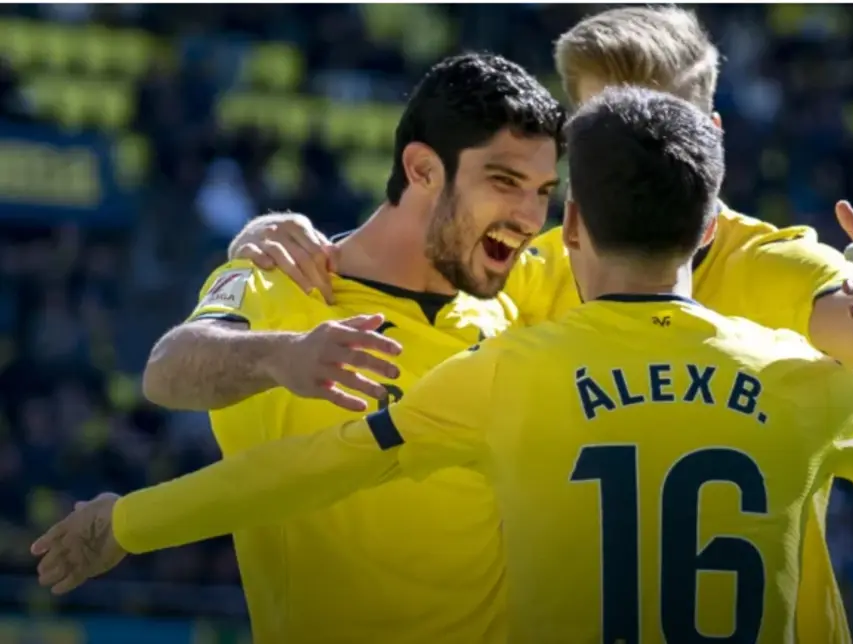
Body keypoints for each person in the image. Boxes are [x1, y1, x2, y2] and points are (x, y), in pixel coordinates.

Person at [33, 87, 853, 643]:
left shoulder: (513, 373)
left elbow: (313, 467)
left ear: (573, 221)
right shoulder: (803, 382)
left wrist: (123, 522)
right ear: (708, 234)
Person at [219, 7, 853, 640]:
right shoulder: (539, 268)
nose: (631, 155)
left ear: (713, 139)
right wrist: (288, 239)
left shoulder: (765, 263)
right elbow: (413, 266)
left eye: (655, 126)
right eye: (603, 131)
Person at [132, 52, 563, 644]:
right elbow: (167, 369)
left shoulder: (517, 304)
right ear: (422, 170)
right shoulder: (287, 285)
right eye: (504, 181)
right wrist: (280, 357)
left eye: (543, 191)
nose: (530, 217)